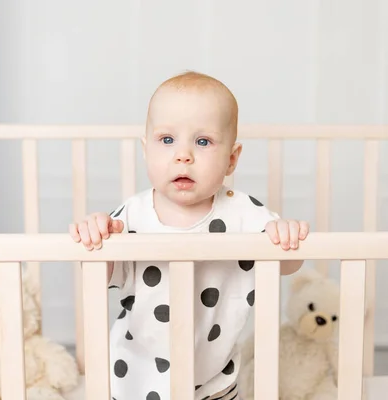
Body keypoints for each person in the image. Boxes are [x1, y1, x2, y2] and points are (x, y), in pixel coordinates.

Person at [70, 71, 309, 400]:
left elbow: (287, 264)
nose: (183, 155)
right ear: (146, 150)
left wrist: (286, 237)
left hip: (215, 382)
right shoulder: (131, 216)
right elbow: (98, 275)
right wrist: (98, 240)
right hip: (134, 378)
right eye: (167, 140)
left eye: (203, 141)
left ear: (232, 159)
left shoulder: (245, 213)